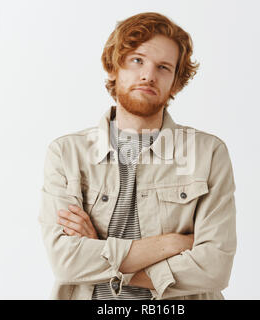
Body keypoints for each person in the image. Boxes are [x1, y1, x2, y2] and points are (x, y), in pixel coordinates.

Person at [38, 12, 237, 300]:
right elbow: (66, 261)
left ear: (176, 83)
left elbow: (214, 267)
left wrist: (103, 253)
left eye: (164, 67)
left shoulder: (207, 153)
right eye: (137, 60)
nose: (148, 75)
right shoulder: (67, 153)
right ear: (113, 67)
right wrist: (170, 243)